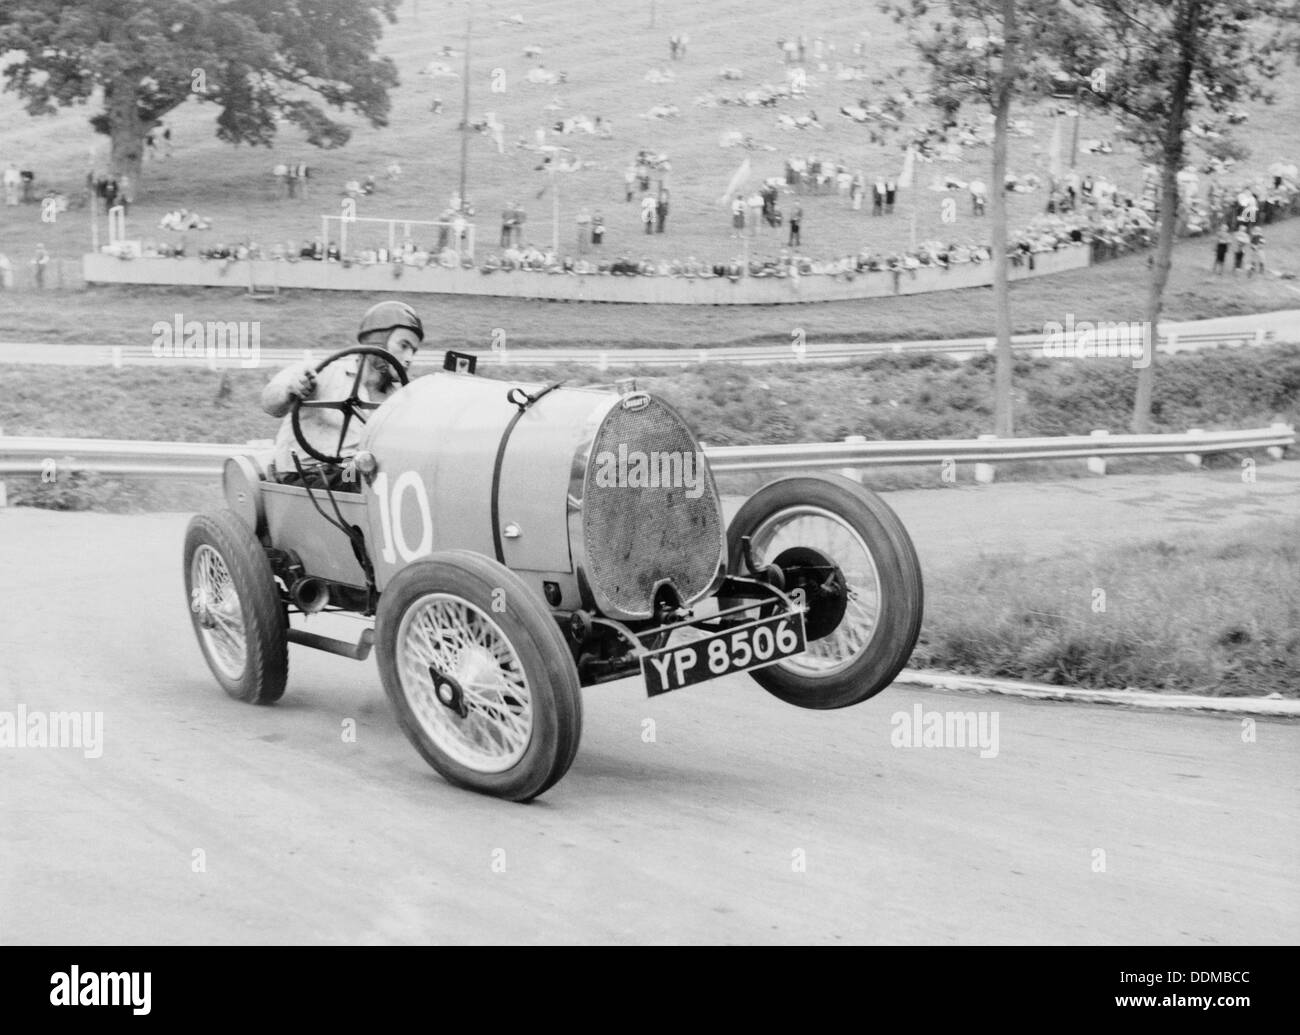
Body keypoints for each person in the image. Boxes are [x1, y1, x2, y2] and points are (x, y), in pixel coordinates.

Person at [261, 301, 424, 486]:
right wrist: (290, 390)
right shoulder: (324, 372)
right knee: (361, 480)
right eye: (404, 346)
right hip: (304, 476)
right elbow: (269, 403)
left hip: (353, 472)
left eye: (414, 351)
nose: (409, 358)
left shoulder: (398, 398)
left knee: (408, 476)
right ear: (378, 341)